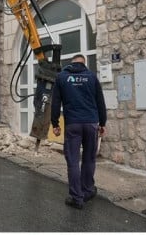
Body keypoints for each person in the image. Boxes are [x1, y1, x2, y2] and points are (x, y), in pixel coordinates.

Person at [51, 54, 107, 209]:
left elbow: (55, 102)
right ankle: (87, 190)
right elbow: (100, 102)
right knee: (89, 159)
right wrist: (102, 123)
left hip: (73, 125)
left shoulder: (61, 77)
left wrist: (55, 123)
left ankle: (77, 198)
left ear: (72, 63)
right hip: (91, 124)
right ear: (84, 63)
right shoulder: (91, 77)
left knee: (73, 161)